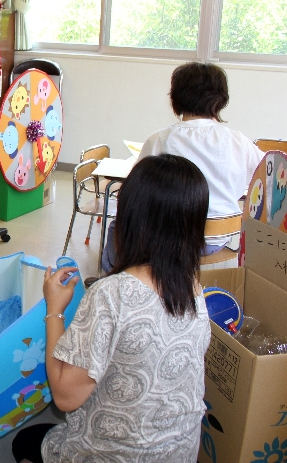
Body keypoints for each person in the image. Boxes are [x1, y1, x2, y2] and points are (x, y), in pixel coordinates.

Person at [12, 155, 212, 462]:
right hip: (180, 453)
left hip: (114, 455)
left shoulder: (111, 294)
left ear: (131, 219)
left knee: (25, 441)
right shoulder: (193, 287)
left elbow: (65, 397)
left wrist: (55, 309)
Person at [102, 62, 263, 272]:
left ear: (175, 98)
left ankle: (114, 280)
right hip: (218, 238)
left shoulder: (160, 140)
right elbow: (267, 176)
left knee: (117, 224)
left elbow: (137, 190)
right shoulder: (238, 141)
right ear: (220, 100)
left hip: (166, 238)